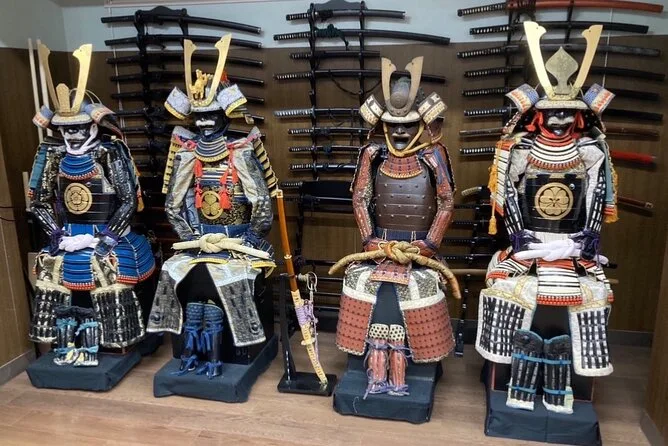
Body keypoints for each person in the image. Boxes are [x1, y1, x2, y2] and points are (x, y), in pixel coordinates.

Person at [475, 22, 618, 414]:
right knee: (505, 289)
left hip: (573, 247)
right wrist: (519, 236)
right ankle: (511, 375)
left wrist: (587, 238)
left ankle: (570, 381)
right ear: (538, 114)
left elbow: (597, 196)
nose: (558, 119)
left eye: (566, 113)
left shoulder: (591, 151)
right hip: (529, 245)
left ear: (579, 116)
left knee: (593, 295)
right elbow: (507, 193)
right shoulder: (520, 150)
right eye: (552, 112)